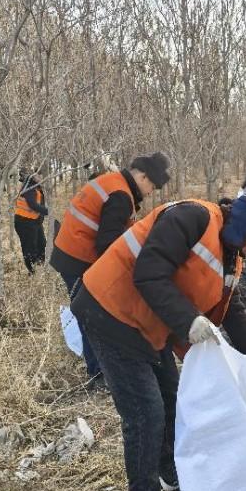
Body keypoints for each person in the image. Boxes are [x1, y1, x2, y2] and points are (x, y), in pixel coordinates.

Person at [71, 181, 246, 491]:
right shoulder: (192, 217)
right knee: (146, 414)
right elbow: (149, 272)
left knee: (173, 401)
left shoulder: (232, 256)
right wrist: (188, 321)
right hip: (110, 312)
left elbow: (233, 313)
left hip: (150, 325)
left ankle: (168, 471)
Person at [50, 153, 171, 382]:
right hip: (77, 259)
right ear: (143, 177)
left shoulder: (113, 181)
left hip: (70, 252)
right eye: (152, 187)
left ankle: (97, 368)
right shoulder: (121, 196)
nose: (150, 193)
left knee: (89, 312)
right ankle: (97, 373)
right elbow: (107, 244)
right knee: (90, 315)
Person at [13, 172, 48, 274]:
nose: (40, 177)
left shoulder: (37, 188)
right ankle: (32, 271)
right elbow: (33, 205)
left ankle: (40, 267)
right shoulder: (28, 188)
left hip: (34, 222)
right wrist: (48, 211)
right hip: (24, 222)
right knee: (30, 248)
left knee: (41, 244)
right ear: (33, 178)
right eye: (38, 176)